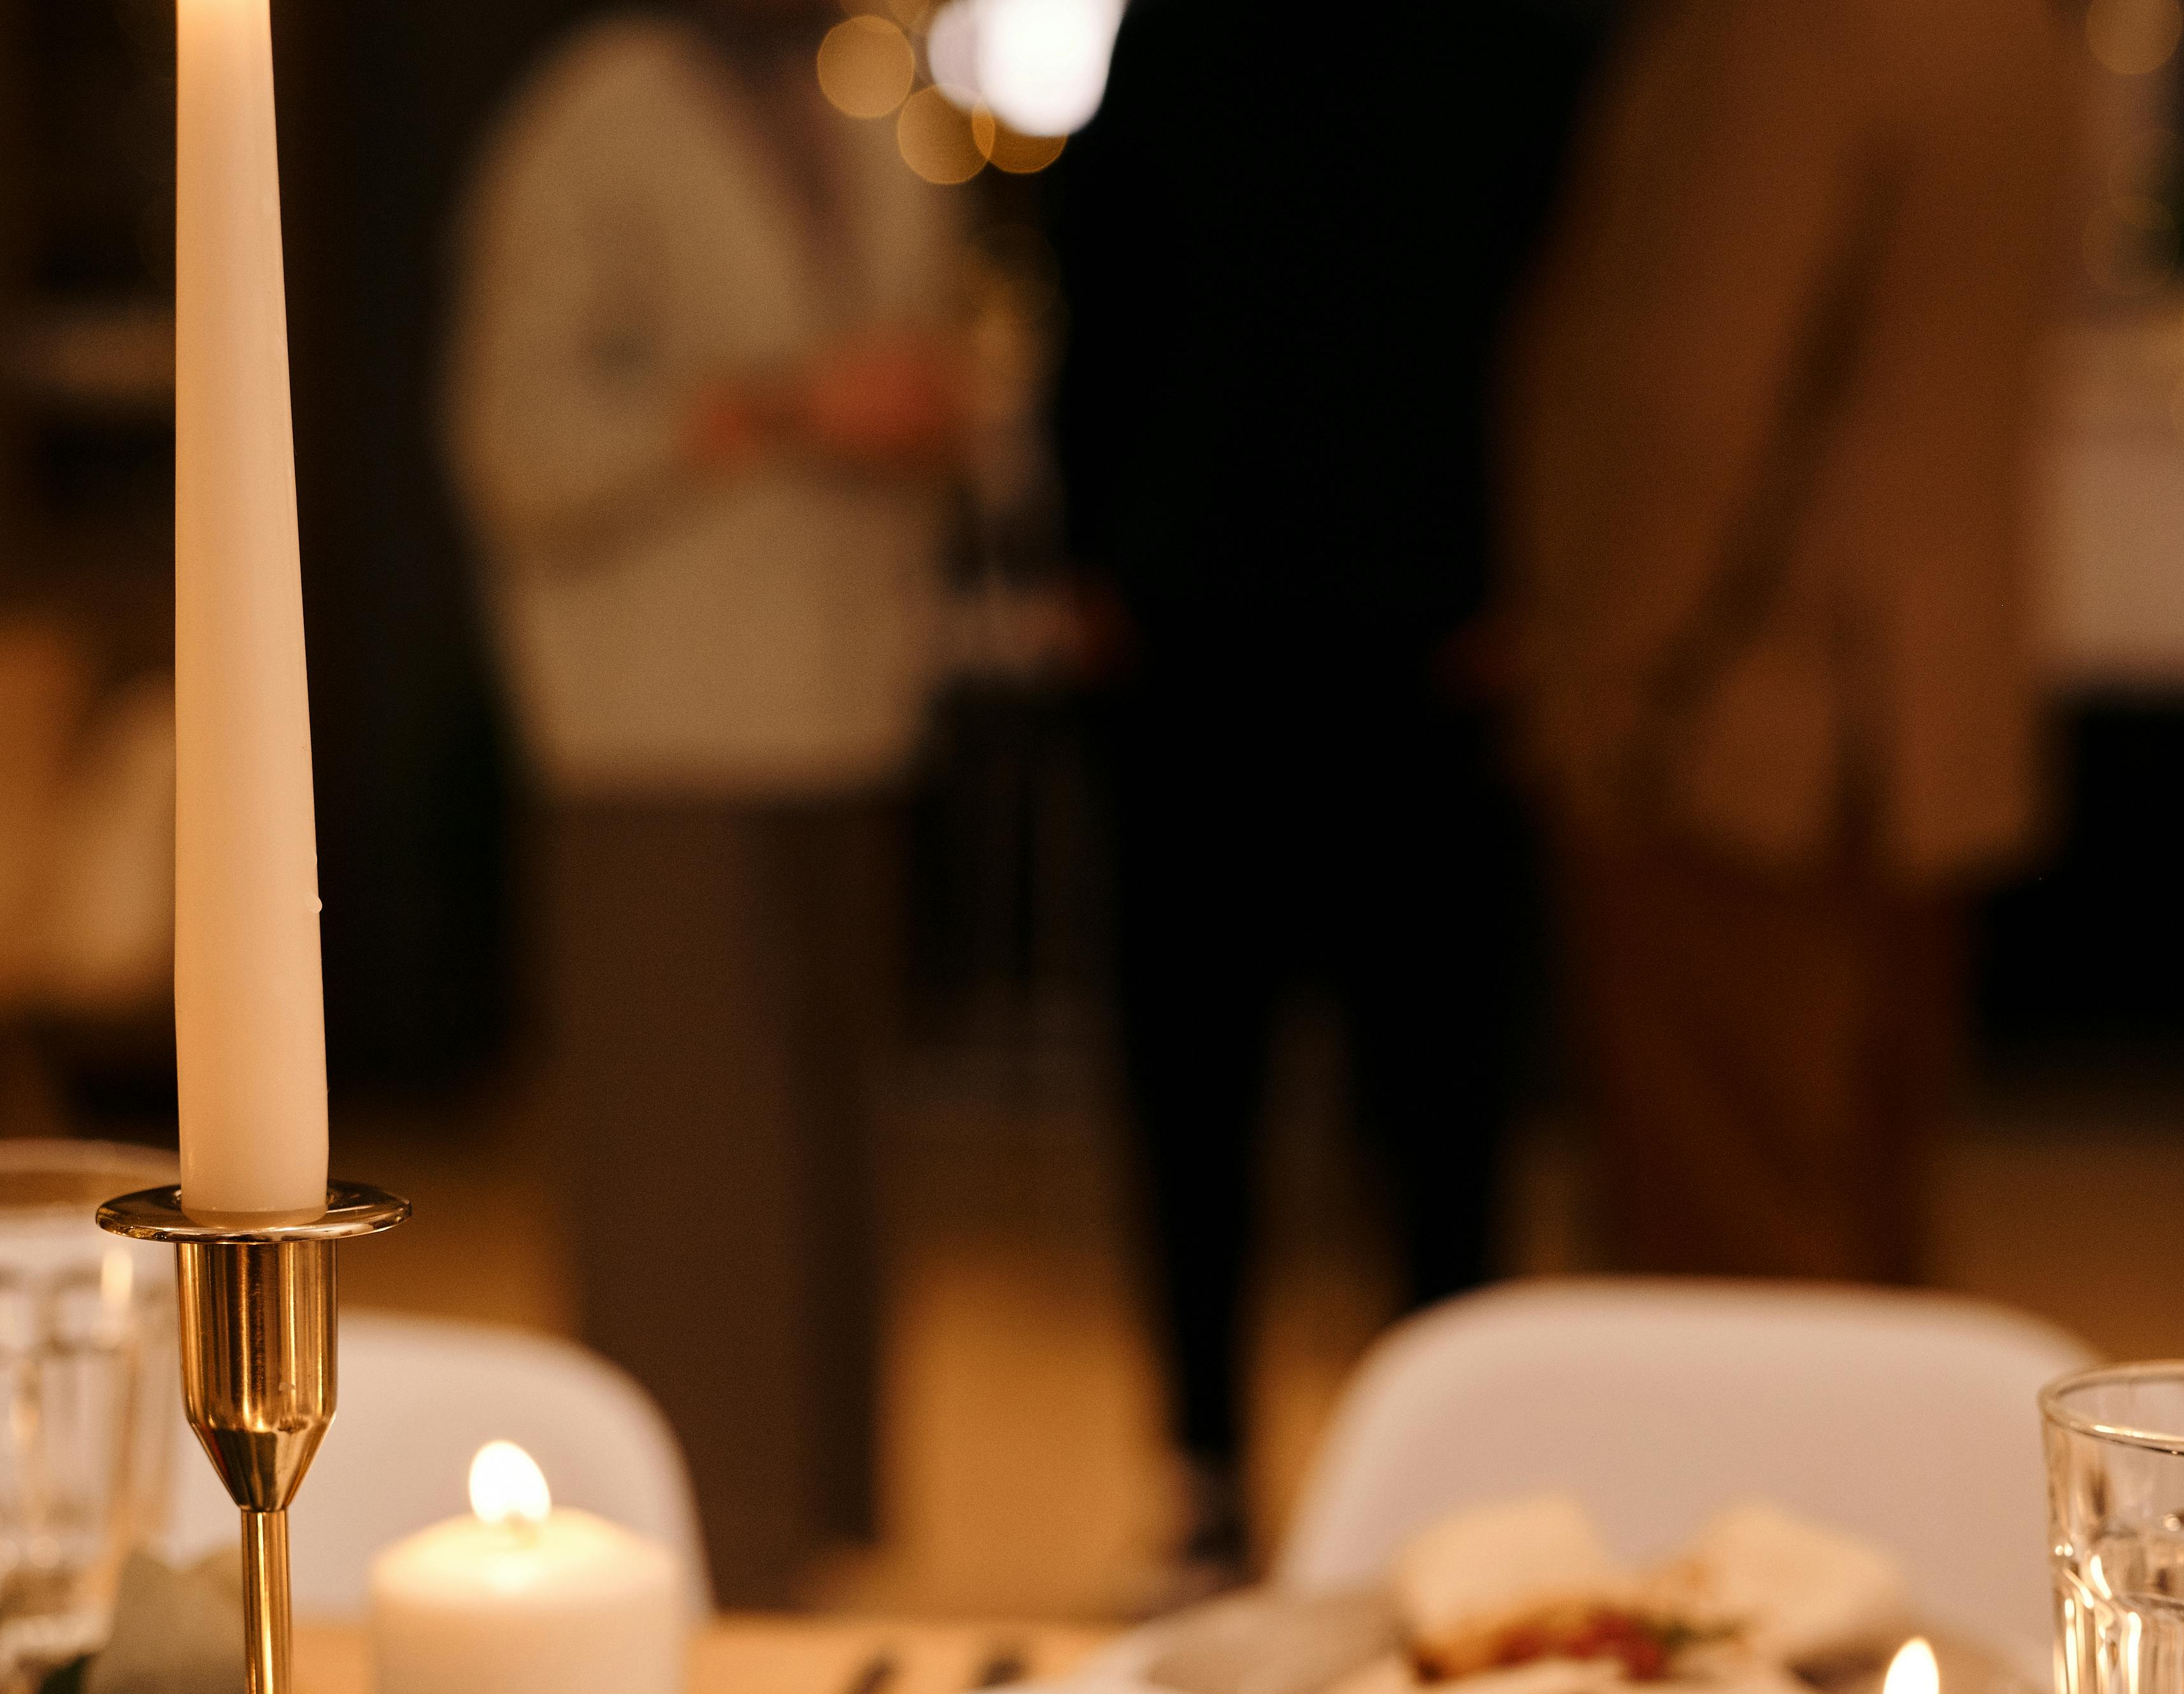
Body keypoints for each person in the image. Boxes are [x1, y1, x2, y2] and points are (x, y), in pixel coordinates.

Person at [1050, 1, 1609, 1591]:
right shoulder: (1204, 27)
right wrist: (1095, 546)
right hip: (1211, 626)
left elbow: (1572, 314)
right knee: (1205, 1086)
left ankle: (1431, 1482)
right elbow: (1100, 270)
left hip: (1425, 635)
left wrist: (1535, 575)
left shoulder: (1512, 43)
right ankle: (1216, 1470)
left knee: (1429, 1108)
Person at [447, 3, 964, 1604]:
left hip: (844, 713)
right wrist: (789, 404)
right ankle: (685, 1554)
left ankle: (801, 1550)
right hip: (654, 729)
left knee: (826, 1180)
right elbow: (517, 442)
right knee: (688, 1180)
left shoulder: (874, 99)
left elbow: (936, 362)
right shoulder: (590, 120)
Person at [1510, 0, 2079, 1283]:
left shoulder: (1785, 31)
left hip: (1747, 730)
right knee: (1863, 1233)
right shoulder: (2010, 32)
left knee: (1731, 1261)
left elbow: (1689, 404)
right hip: (1919, 726)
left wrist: (1599, 690)